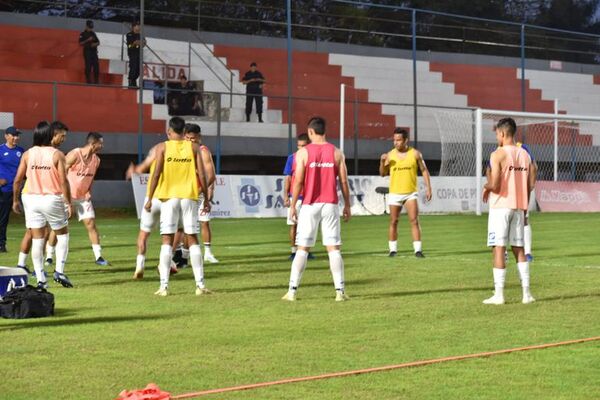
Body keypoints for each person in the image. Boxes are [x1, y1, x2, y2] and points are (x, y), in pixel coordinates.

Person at [281, 116, 351, 302]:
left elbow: (298, 181)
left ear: (311, 132)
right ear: (324, 130)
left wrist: (293, 204)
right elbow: (344, 181)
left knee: (302, 248)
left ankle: (292, 291)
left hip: (309, 205)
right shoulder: (337, 152)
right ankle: (340, 291)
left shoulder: (303, 153)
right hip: (330, 204)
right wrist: (348, 206)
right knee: (333, 248)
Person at [145, 117, 210, 296]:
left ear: (169, 131)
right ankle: (200, 285)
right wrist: (207, 198)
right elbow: (202, 175)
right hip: (189, 196)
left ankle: (163, 286)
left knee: (167, 239)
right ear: (184, 132)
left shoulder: (162, 147)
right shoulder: (194, 147)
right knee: (193, 238)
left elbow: (156, 173)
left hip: (169, 197)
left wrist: (150, 197)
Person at [12, 121, 72, 288]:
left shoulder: (27, 154)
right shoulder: (57, 154)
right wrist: (68, 202)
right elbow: (64, 181)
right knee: (62, 234)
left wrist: (15, 200)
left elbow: (17, 181)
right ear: (49, 135)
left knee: (37, 239)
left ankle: (41, 280)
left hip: (30, 199)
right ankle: (59, 271)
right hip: (51, 198)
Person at [483, 117, 535, 305]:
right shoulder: (525, 155)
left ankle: (499, 295)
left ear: (503, 133)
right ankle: (526, 294)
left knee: (499, 248)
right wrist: (525, 207)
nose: (497, 137)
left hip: (500, 207)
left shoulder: (497, 154)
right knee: (519, 249)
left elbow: (495, 185)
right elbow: (530, 185)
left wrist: (486, 187)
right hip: (519, 207)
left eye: (497, 134)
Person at [46, 133, 109, 266]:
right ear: (93, 144)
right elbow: (60, 174)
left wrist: (89, 192)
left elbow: (91, 178)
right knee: (58, 226)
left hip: (83, 198)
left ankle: (99, 257)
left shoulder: (96, 160)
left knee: (91, 224)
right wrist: (63, 195)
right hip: (66, 196)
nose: (102, 146)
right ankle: (49, 256)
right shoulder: (74, 154)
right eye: (100, 143)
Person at [379, 128, 432, 258]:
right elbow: (382, 173)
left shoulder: (415, 154)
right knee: (393, 221)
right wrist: (382, 162)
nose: (396, 142)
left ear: (405, 140)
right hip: (395, 193)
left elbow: (424, 170)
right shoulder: (390, 155)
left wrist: (428, 188)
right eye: (394, 140)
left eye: (398, 140)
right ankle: (392, 250)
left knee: (414, 220)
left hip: (410, 193)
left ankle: (418, 250)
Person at [172, 123, 217, 267]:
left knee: (190, 226)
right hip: (182, 192)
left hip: (196, 193)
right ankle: (180, 255)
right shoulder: (182, 150)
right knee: (182, 227)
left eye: (193, 138)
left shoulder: (203, 151)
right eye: (187, 138)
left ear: (199, 137)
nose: (190, 141)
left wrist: (201, 191)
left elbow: (211, 175)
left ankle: (182, 257)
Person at [486, 140, 537, 262]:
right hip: (504, 195)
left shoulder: (523, 148)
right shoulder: (498, 150)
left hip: (520, 191)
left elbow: (533, 166)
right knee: (505, 223)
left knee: (523, 220)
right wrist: (492, 185)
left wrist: (531, 184)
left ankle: (527, 252)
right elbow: (488, 169)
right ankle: (504, 253)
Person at [282, 133, 314, 260]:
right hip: (295, 197)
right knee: (293, 225)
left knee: (308, 226)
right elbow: (288, 178)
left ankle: (306, 250)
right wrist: (285, 195)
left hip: (309, 197)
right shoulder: (292, 158)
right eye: (299, 146)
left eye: (303, 146)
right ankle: (294, 251)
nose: (300, 148)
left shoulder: (313, 159)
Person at [0, 127, 24, 253]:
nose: (16, 138)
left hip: (10, 191)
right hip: (1, 188)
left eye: (17, 135)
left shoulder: (21, 151)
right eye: (13, 135)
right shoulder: (0, 150)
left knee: (3, 219)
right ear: (6, 136)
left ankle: (1, 244)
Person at [78, 20, 100, 84]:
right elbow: (80, 43)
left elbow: (98, 42)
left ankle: (96, 81)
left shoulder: (93, 33)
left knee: (96, 66)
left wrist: (95, 44)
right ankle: (88, 80)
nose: (91, 29)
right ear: (86, 26)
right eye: (90, 27)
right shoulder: (82, 34)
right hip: (87, 51)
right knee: (88, 66)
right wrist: (88, 40)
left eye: (91, 27)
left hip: (94, 51)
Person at [126, 21, 143, 88]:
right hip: (132, 52)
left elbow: (144, 43)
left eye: (139, 26)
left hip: (139, 53)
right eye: (137, 25)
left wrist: (138, 42)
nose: (138, 27)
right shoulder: (129, 34)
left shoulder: (140, 35)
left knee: (138, 69)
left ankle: (134, 81)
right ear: (133, 27)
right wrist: (137, 43)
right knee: (133, 67)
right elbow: (130, 44)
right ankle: (131, 82)